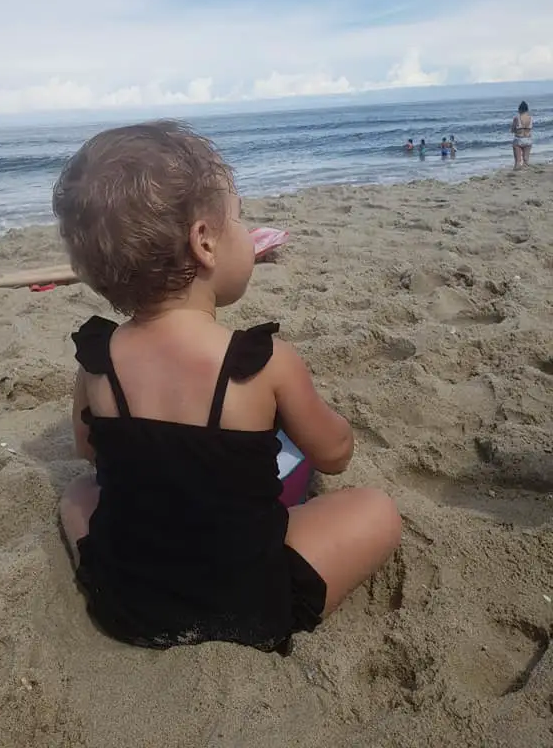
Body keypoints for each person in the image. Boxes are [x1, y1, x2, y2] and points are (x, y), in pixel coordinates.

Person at [52, 121, 401, 655]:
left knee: (77, 494)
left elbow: (88, 453)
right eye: (240, 218)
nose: (247, 231)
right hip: (250, 604)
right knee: (375, 509)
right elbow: (334, 456)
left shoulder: (98, 362)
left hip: (129, 606)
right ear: (206, 242)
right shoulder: (261, 362)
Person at [511, 101, 533, 169]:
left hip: (519, 139)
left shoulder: (517, 118)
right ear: (527, 109)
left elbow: (512, 130)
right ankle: (526, 171)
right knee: (526, 159)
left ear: (519, 109)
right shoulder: (530, 118)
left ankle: (516, 169)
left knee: (518, 161)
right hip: (528, 139)